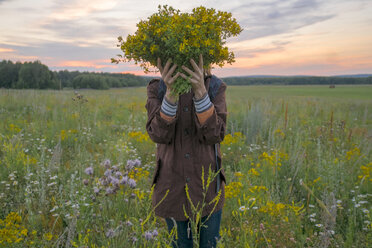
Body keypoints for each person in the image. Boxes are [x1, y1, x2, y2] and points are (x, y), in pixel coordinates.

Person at [145, 54, 227, 248]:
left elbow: (216, 134)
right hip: (172, 189)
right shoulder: (157, 89)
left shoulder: (214, 87)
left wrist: (200, 91)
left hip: (208, 190)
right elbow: (158, 134)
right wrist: (171, 94)